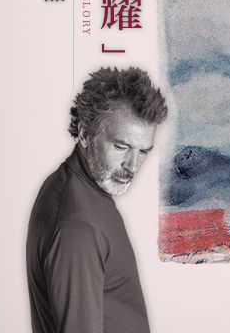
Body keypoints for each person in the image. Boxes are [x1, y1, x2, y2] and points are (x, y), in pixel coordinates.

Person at [27, 67, 168, 332]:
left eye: (143, 151)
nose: (132, 166)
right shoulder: (78, 225)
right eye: (121, 147)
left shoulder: (77, 187)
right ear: (84, 134)